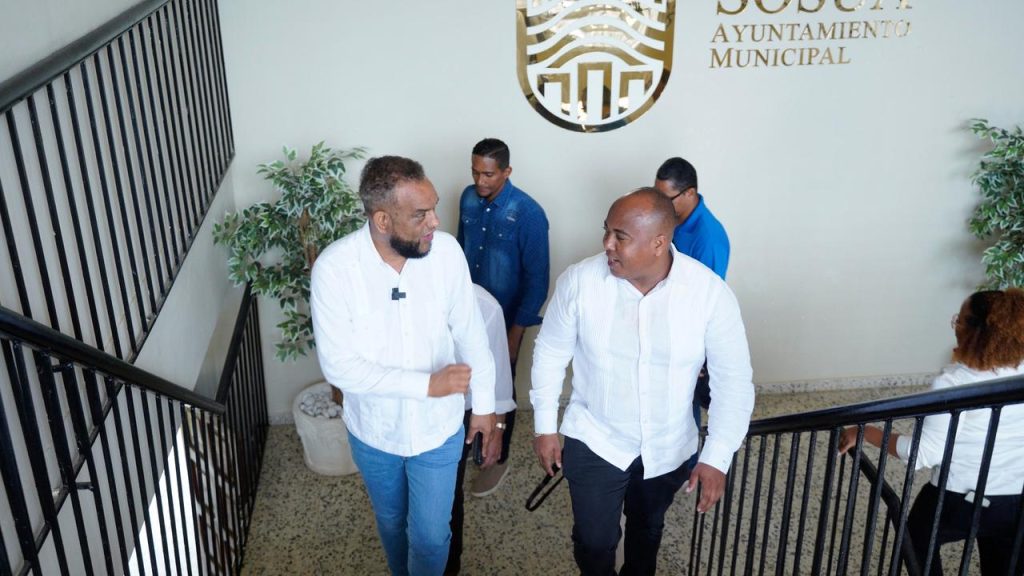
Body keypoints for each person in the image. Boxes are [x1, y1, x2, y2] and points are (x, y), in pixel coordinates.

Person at [530, 188, 755, 576]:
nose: (607, 244)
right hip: (596, 438)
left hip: (668, 445)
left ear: (659, 242)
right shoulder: (579, 282)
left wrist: (717, 457)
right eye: (606, 231)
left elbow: (733, 382)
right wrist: (544, 427)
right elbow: (550, 353)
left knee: (647, 531)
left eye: (620, 236)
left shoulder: (709, 295)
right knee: (594, 542)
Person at [310, 155, 497, 576]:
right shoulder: (335, 269)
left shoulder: (446, 253)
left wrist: (484, 406)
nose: (435, 222)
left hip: (439, 430)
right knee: (393, 523)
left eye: (434, 208)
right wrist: (427, 385)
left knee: (430, 536)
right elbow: (340, 367)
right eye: (420, 214)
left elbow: (471, 334)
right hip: (374, 433)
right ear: (382, 220)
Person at [839, 289, 1024, 576]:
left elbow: (922, 453)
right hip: (1013, 502)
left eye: (959, 320)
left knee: (915, 540)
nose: (955, 327)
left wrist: (865, 432)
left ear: (976, 332)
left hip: (956, 499)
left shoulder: (952, 384)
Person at [457, 137, 550, 497]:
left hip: (507, 320)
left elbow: (537, 280)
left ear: (507, 171)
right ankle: (471, 441)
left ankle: (496, 458)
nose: (480, 181)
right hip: (468, 314)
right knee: (468, 378)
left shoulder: (529, 213)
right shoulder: (468, 198)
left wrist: (516, 333)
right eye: (475, 172)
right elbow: (457, 253)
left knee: (500, 386)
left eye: (489, 175)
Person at [446, 285, 517, 576]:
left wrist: (497, 430)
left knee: (449, 497)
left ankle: (450, 565)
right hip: (398, 414)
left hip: (457, 416)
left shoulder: (483, 304)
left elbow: (499, 377)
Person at [654, 157, 731, 418]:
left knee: (684, 407)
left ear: (689, 193)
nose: (660, 205)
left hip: (685, 335)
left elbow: (705, 303)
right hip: (662, 324)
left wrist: (696, 352)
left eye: (666, 199)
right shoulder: (673, 218)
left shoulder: (708, 239)